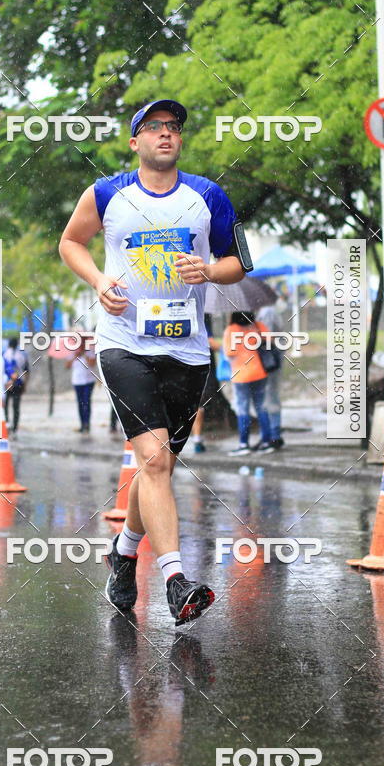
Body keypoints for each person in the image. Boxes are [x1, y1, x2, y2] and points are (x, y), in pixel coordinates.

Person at [59, 98, 247, 625]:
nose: (166, 134)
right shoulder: (107, 193)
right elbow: (70, 242)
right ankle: (174, 580)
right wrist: (99, 281)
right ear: (135, 140)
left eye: (174, 128)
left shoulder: (208, 196)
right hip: (123, 344)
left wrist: (209, 271)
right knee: (157, 460)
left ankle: (123, 552)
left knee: (156, 464)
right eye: (154, 127)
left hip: (186, 351)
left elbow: (238, 264)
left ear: (180, 140)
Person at [223, 311, 274, 456]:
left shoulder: (231, 330)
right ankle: (266, 442)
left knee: (243, 409)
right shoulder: (257, 326)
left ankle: (244, 444)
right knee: (261, 407)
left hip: (241, 375)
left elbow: (229, 353)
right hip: (259, 372)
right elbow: (270, 340)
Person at [257, 301, 285, 449]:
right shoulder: (265, 311)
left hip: (270, 361)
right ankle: (269, 435)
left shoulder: (267, 312)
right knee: (267, 397)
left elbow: (267, 337)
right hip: (270, 360)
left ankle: (273, 435)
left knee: (269, 397)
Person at [191, 314, 221, 453]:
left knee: (195, 405)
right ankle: (196, 438)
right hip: (198, 365)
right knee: (198, 406)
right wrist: (224, 346)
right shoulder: (200, 318)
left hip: (183, 363)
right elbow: (210, 342)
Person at [66, 335, 97, 433]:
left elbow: (92, 364)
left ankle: (87, 424)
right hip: (77, 381)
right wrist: (75, 355)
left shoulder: (90, 351)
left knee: (86, 402)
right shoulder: (72, 351)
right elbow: (67, 366)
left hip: (89, 381)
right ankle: (82, 424)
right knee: (80, 403)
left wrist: (84, 354)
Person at [3, 337, 29, 437]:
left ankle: (6, 424)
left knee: (5, 405)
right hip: (19, 383)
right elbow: (27, 371)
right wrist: (25, 385)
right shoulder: (23, 355)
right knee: (16, 406)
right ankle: (15, 428)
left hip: (6, 383)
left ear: (8, 344)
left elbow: (3, 369)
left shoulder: (4, 354)